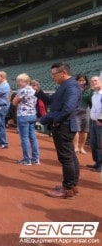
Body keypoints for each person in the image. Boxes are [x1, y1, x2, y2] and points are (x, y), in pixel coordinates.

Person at [34, 62, 81, 198]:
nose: (52, 77)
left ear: (64, 73)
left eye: (54, 74)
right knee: (70, 156)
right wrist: (39, 92)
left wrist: (45, 118)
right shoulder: (64, 86)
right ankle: (72, 185)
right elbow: (52, 101)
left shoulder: (71, 86)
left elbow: (68, 109)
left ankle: (68, 188)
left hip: (64, 126)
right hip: (63, 125)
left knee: (66, 158)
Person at [12, 73, 40, 166]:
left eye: (19, 81)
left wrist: (15, 97)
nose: (18, 83)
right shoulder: (33, 90)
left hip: (23, 116)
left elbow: (14, 102)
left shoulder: (22, 90)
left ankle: (27, 159)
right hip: (33, 115)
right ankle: (35, 159)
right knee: (33, 138)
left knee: (24, 138)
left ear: (25, 81)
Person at [73, 74, 93, 154]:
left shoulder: (89, 90)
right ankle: (76, 147)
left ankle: (81, 147)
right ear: (76, 81)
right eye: (79, 80)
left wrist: (91, 91)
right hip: (75, 111)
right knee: (76, 129)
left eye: (83, 80)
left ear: (86, 81)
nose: (81, 82)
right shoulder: (73, 89)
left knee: (84, 130)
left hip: (86, 111)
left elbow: (92, 100)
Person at [87, 75, 102, 172]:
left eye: (95, 80)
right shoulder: (94, 95)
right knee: (93, 143)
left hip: (100, 124)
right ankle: (97, 163)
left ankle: (101, 166)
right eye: (92, 81)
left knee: (100, 145)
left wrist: (100, 120)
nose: (93, 82)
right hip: (93, 122)